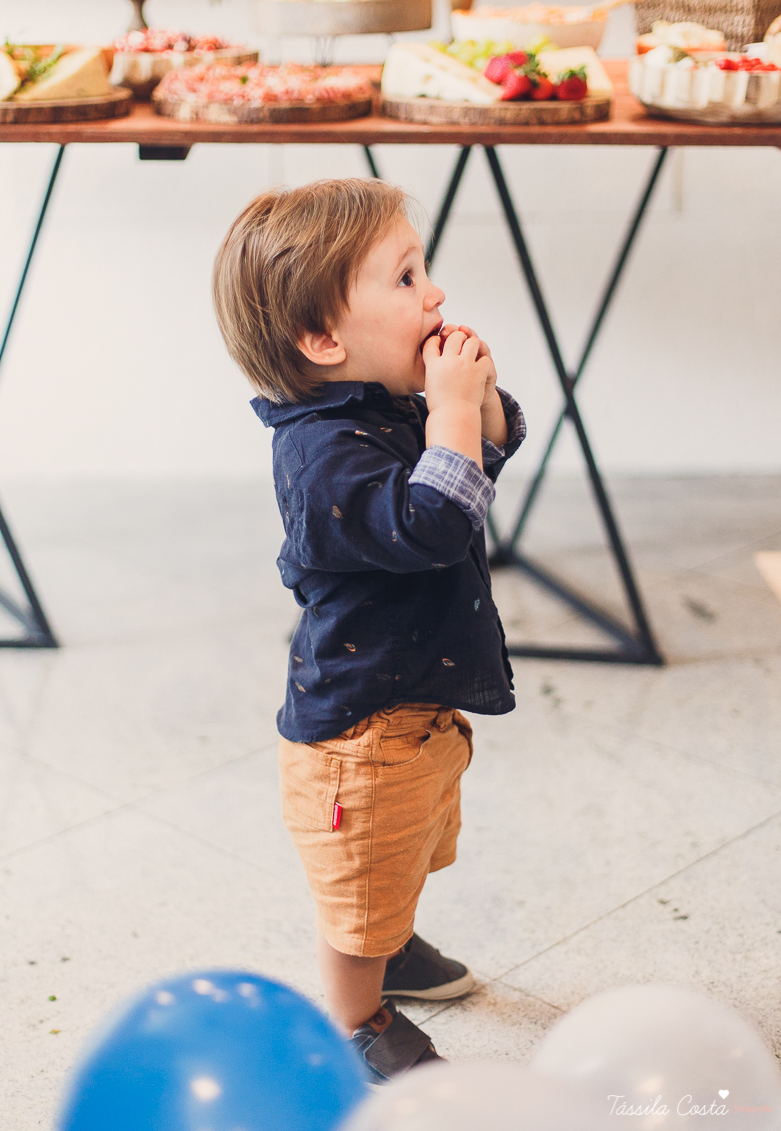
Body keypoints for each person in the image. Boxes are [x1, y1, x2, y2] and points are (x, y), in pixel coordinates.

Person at [212, 178, 525, 1082]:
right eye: (404, 278)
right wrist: (453, 412)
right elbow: (434, 520)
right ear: (323, 340)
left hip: (413, 706)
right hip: (361, 736)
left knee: (409, 850)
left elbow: (477, 466)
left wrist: (480, 401)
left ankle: (392, 945)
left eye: (424, 269)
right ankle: (356, 1014)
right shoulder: (319, 457)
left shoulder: (384, 400)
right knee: (359, 884)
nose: (433, 294)